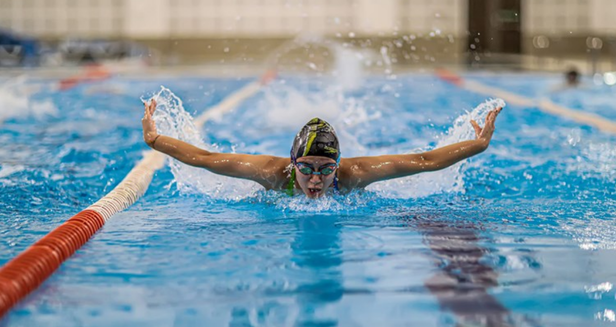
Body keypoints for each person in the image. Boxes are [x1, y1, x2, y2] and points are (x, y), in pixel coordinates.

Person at [142, 99, 502, 199]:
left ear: (338, 165)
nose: (316, 179)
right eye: (308, 168)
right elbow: (205, 159)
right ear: (293, 163)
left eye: (325, 169)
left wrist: (477, 145)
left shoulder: (354, 175)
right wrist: (156, 140)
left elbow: (423, 161)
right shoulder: (271, 172)